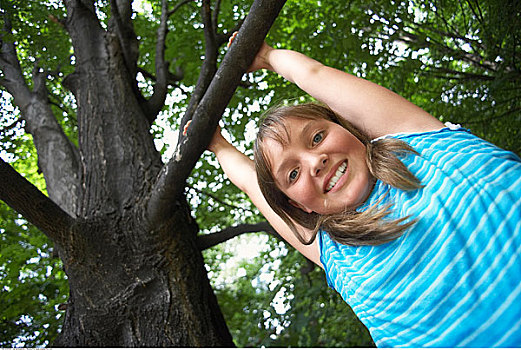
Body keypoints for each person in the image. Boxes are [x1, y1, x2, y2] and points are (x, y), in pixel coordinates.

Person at [207, 34, 521, 347]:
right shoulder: (337, 253)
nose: (315, 162)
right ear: (299, 206)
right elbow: (251, 183)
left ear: (347, 129)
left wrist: (267, 55)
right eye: (292, 173)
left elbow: (313, 74)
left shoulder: (418, 145)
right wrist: (217, 145)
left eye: (317, 138)